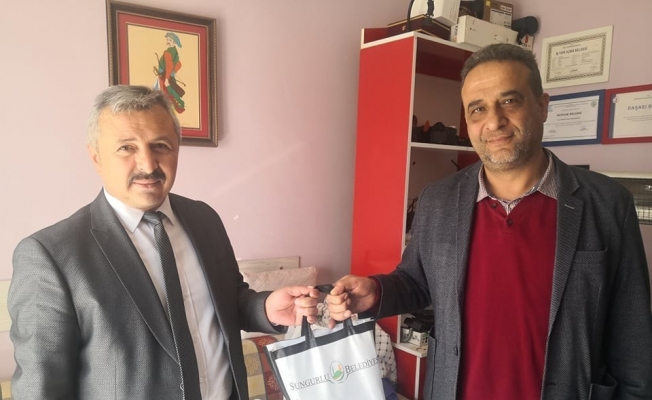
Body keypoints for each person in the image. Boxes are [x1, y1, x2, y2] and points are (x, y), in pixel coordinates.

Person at [327, 43, 652, 399]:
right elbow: (417, 281)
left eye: (509, 101)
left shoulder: (606, 204)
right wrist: (376, 292)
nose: (494, 122)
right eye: (478, 109)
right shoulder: (438, 199)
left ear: (542, 106)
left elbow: (633, 334)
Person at [9, 85, 320, 400]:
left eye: (160, 145)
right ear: (96, 157)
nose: (147, 164)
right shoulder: (51, 255)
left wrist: (265, 308)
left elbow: (228, 299)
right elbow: (41, 389)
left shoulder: (204, 219)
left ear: (177, 149)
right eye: (127, 148)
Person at [155, 32, 185, 113]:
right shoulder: (174, 51)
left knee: (164, 93)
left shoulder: (168, 52)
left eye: (170, 40)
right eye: (167, 40)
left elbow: (169, 66)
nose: (168, 41)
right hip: (167, 75)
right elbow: (179, 64)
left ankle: (179, 104)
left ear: (174, 42)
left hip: (165, 76)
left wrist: (167, 78)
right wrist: (173, 72)